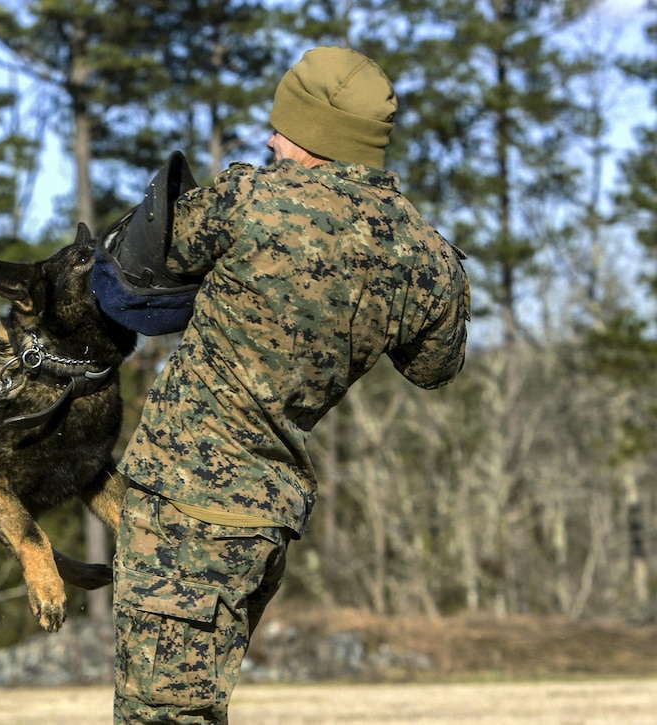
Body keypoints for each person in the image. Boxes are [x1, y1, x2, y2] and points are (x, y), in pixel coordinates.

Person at [111, 46, 470, 724]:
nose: (270, 140)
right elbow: (434, 368)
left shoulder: (250, 199)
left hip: (187, 508)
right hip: (267, 520)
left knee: (162, 716)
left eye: (282, 129)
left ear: (314, 136)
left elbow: (134, 267)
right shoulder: (425, 255)